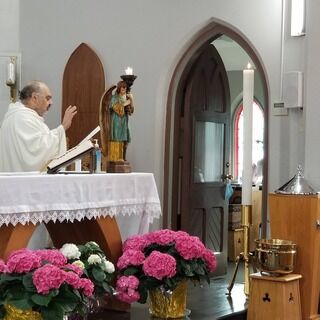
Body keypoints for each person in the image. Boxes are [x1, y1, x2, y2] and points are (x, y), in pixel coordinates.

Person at [0, 80, 77, 172]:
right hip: (24, 183)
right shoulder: (22, 118)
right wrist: (63, 127)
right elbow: (37, 150)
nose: (51, 103)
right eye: (47, 98)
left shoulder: (15, 115)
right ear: (34, 98)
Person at [109, 81, 134, 162]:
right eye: (122, 87)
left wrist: (131, 100)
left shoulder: (126, 97)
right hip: (116, 121)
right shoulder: (114, 97)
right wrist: (124, 104)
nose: (124, 89)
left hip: (124, 121)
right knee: (117, 138)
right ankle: (116, 158)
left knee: (124, 139)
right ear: (119, 88)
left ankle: (123, 158)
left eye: (125, 87)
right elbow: (115, 108)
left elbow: (131, 111)